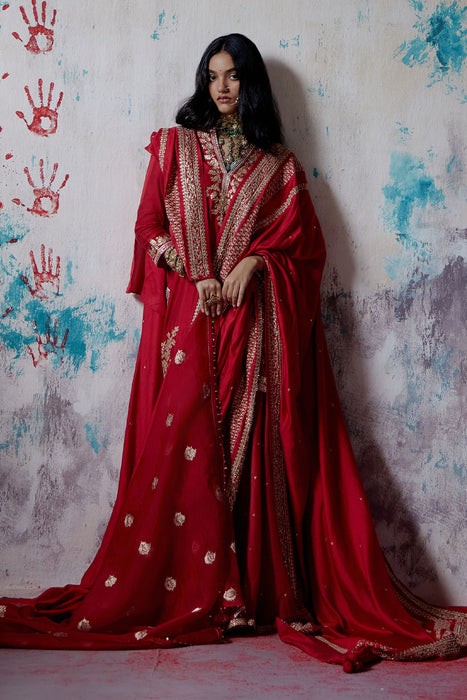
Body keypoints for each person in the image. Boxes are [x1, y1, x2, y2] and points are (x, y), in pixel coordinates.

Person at [0, 33, 465, 672]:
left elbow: (305, 250)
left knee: (250, 453)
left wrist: (253, 264)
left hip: (253, 328)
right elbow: (148, 230)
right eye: (214, 76)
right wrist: (195, 271)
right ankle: (195, 588)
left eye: (235, 77)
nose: (223, 88)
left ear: (252, 86)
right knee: (186, 449)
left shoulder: (279, 166)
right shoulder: (173, 148)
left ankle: (245, 593)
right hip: (190, 326)